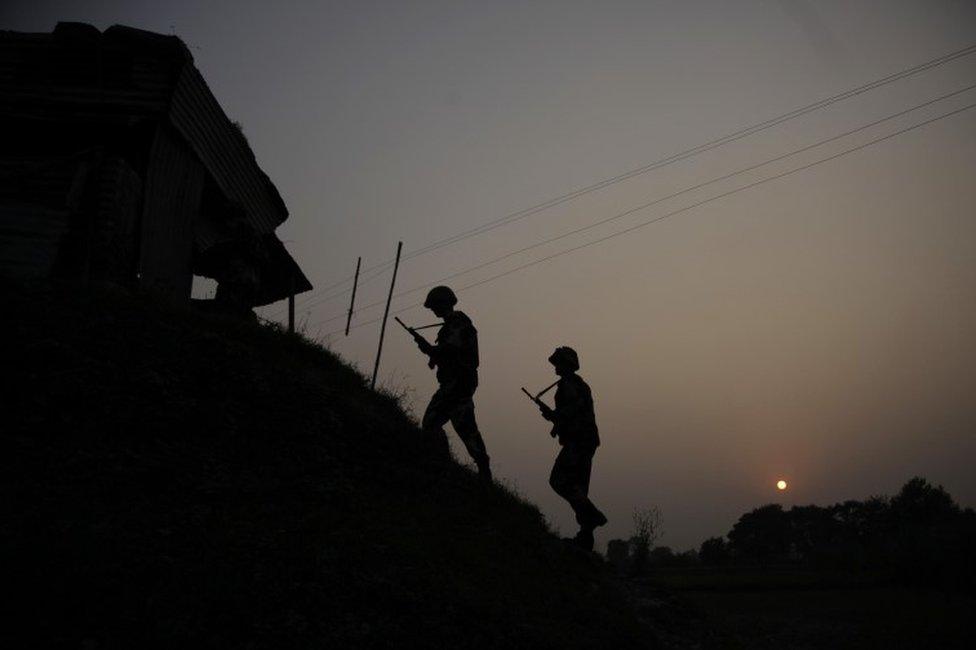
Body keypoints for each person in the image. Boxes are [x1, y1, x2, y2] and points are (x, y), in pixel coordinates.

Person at [413, 286, 492, 480]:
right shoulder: (451, 325)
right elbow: (447, 354)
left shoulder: (458, 322)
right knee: (465, 426)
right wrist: (432, 354)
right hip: (458, 382)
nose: (433, 310)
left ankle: (441, 463)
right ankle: (483, 470)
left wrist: (429, 350)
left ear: (444, 303)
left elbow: (450, 350)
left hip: (457, 382)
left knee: (431, 421)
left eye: (434, 306)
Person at [535, 346, 607, 550]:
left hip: (579, 441)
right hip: (584, 440)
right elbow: (572, 412)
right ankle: (586, 536)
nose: (555, 367)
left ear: (566, 364)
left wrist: (556, 416)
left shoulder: (570, 384)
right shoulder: (574, 384)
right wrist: (554, 417)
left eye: (558, 363)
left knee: (559, 480)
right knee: (579, 486)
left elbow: (574, 409)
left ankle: (592, 516)